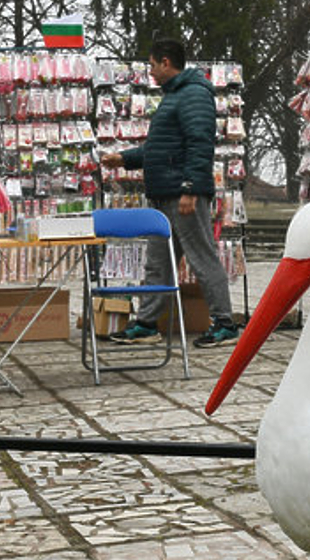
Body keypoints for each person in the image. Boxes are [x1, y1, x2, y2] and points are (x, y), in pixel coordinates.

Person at [100, 38, 239, 348]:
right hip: (164, 194)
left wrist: (190, 188)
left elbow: (200, 143)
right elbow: (160, 148)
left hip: (182, 193)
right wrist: (124, 159)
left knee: (202, 257)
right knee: (158, 263)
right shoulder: (175, 96)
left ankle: (225, 323)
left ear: (165, 62)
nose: (149, 72)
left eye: (151, 64)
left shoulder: (192, 95)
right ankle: (147, 324)